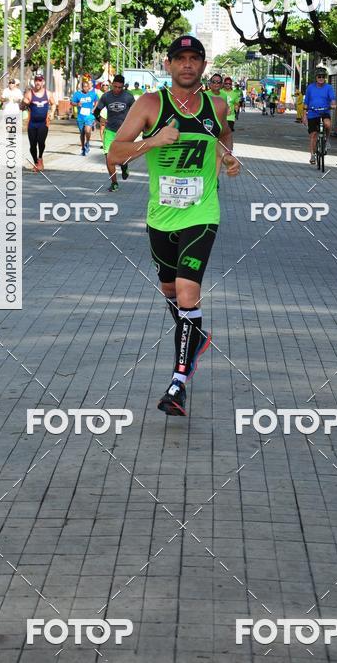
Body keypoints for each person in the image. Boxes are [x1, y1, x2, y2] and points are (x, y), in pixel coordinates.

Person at [108, 35, 240, 416]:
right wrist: (151, 141)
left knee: (186, 292)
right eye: (179, 58)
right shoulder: (151, 104)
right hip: (160, 216)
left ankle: (177, 384)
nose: (187, 65)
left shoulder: (216, 105)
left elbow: (223, 140)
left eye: (193, 59)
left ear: (202, 65)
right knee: (169, 287)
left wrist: (228, 159)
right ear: (168, 65)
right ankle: (194, 335)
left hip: (201, 213)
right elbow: (115, 154)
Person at [94, 75, 135, 190]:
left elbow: (137, 111)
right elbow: (96, 112)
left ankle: (124, 165)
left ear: (123, 86)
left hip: (124, 132)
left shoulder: (128, 97)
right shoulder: (106, 96)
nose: (117, 90)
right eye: (115, 87)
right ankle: (114, 183)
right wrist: (99, 119)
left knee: (122, 157)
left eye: (120, 87)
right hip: (110, 131)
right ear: (112, 85)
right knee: (109, 158)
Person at [21, 72, 56, 171]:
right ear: (34, 82)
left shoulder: (48, 93)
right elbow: (22, 107)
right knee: (32, 145)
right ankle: (36, 163)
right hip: (32, 123)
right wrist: (23, 103)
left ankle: (40, 158)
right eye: (36, 80)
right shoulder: (29, 93)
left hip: (43, 123)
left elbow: (53, 104)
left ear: (43, 82)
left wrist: (52, 112)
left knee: (41, 142)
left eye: (40, 81)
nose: (38, 82)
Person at [303, 68, 336, 164]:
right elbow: (306, 102)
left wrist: (333, 104)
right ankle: (312, 155)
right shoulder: (310, 87)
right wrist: (304, 115)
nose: (321, 78)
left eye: (323, 76)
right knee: (313, 135)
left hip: (324, 112)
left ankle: (327, 141)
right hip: (312, 113)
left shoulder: (329, 87)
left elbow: (332, 98)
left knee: (328, 124)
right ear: (316, 78)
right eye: (319, 76)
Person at [71, 75, 98, 156]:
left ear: (89, 87)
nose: (85, 88)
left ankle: (88, 142)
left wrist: (94, 109)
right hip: (80, 116)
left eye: (87, 87)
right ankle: (83, 148)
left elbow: (97, 101)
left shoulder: (92, 94)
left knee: (87, 130)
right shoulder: (77, 94)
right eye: (84, 87)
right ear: (82, 87)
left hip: (89, 116)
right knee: (82, 133)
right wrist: (77, 103)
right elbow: (72, 103)